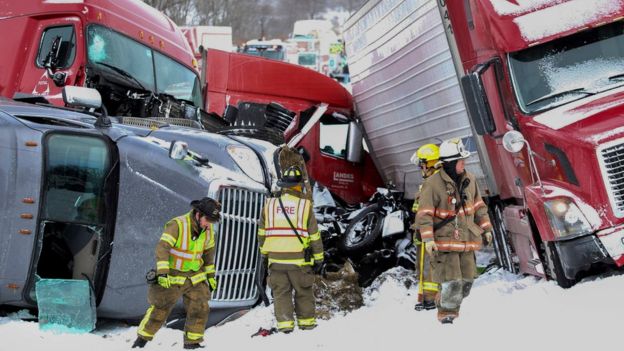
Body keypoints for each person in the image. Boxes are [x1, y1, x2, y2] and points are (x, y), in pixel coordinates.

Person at [416, 138, 492, 324]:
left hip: (466, 240)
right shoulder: (432, 184)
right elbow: (424, 214)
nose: (464, 163)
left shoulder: (470, 179)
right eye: (461, 160)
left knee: (467, 281)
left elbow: (479, 206)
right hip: (445, 242)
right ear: (449, 163)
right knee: (452, 281)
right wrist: (428, 239)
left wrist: (486, 228)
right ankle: (447, 314)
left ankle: (445, 300)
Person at [133, 197, 221, 349]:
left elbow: (208, 255)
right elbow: (162, 248)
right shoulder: (178, 224)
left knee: (200, 306)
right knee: (160, 309)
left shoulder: (208, 231)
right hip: (172, 274)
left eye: (212, 221)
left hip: (194, 276)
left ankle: (192, 343)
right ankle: (141, 340)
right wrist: (162, 273)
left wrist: (211, 276)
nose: (209, 224)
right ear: (198, 214)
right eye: (208, 219)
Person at [258, 166, 324, 333]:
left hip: (275, 261)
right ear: (298, 186)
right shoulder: (305, 206)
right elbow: (315, 236)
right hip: (299, 262)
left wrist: (264, 255)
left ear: (283, 186)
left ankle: (285, 327)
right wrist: (319, 259)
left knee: (281, 293)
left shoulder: (269, 206)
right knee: (303, 292)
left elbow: (262, 235)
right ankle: (307, 324)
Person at [409, 143, 441, 311]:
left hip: (431, 234)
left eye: (422, 164)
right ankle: (425, 298)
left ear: (430, 163)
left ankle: (431, 299)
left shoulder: (436, 183)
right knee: (423, 266)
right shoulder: (431, 182)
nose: (421, 168)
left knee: (430, 267)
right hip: (424, 232)